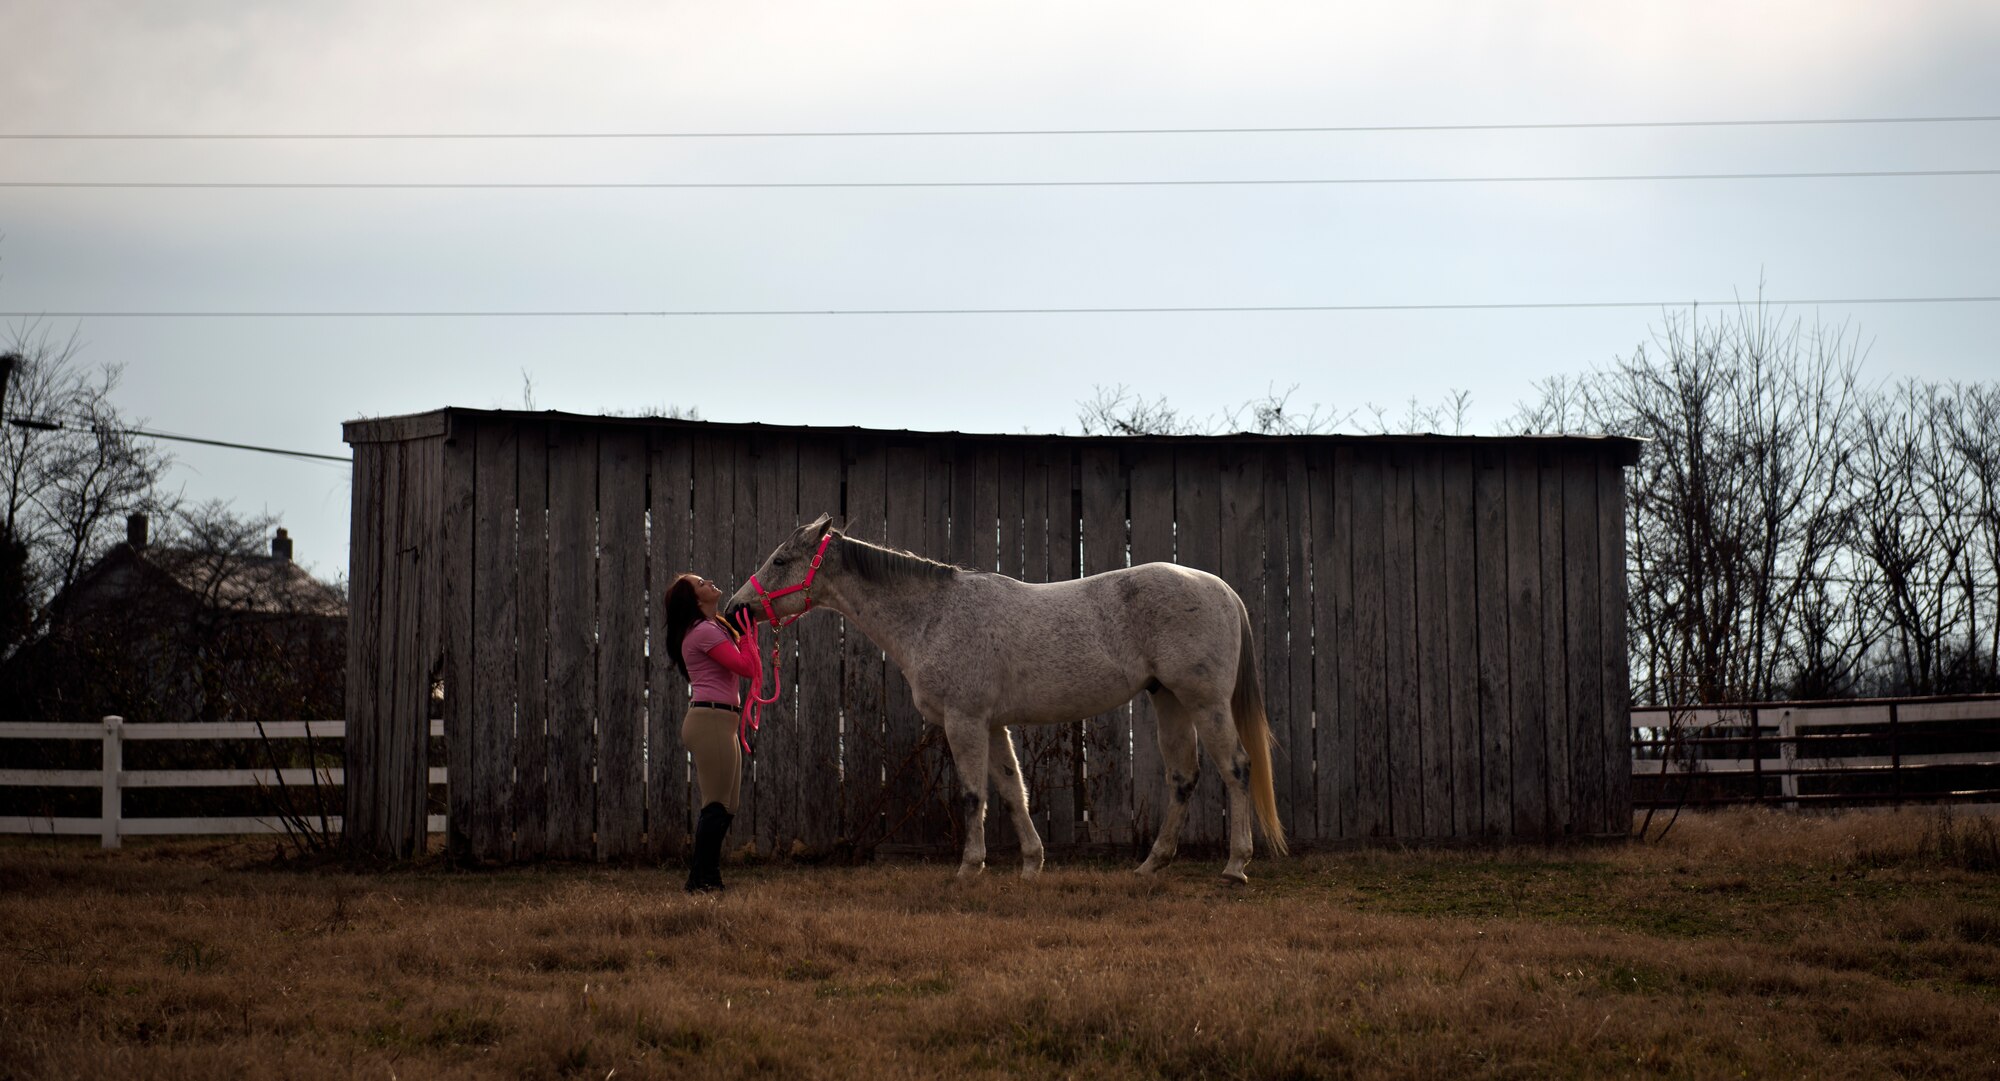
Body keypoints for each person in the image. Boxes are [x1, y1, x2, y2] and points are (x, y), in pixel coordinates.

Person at [664, 572, 762, 892]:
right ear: (695, 600)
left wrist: (747, 632)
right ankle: (701, 881)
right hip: (711, 720)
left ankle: (707, 877)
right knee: (717, 804)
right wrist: (747, 634)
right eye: (701, 584)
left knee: (727, 805)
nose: (709, 582)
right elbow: (746, 668)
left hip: (722, 721)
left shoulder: (714, 626)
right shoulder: (704, 631)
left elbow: (746, 662)